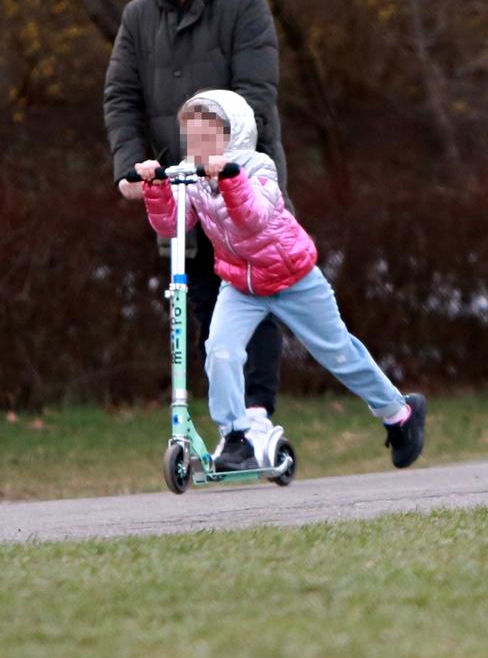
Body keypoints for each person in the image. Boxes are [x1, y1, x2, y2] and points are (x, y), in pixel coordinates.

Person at [134, 89, 427, 473]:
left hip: (293, 278)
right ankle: (236, 437)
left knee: (336, 350)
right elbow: (174, 224)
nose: (199, 146)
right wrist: (155, 187)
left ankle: (398, 413)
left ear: (232, 134)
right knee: (220, 351)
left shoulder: (259, 168)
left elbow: (252, 218)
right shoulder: (191, 176)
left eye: (209, 137)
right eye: (192, 138)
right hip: (241, 285)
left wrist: (229, 178)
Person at [104, 0, 287, 420]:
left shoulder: (243, 5)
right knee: (202, 305)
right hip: (180, 189)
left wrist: (218, 161)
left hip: (241, 181)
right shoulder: (139, 17)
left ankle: (258, 418)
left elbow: (256, 93)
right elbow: (121, 97)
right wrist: (129, 165)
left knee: (256, 297)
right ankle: (229, 426)